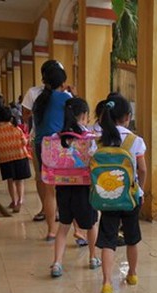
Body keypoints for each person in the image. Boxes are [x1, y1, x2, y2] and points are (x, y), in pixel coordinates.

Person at [95, 94, 147, 293]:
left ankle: (107, 282)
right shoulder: (135, 141)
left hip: (107, 196)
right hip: (131, 197)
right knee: (132, 237)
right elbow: (142, 169)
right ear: (127, 116)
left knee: (108, 239)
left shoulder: (100, 140)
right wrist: (140, 189)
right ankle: (132, 274)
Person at [49, 97, 101, 278]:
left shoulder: (57, 137)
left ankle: (57, 263)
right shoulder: (88, 137)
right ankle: (93, 257)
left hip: (63, 186)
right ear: (85, 115)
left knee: (63, 226)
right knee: (91, 224)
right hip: (84, 188)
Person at [22, 60, 65, 224]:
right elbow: (26, 115)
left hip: (42, 141)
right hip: (50, 141)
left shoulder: (61, 94)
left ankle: (54, 211)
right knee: (44, 178)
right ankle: (47, 209)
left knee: (44, 178)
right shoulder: (34, 93)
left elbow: (25, 116)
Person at [0, 105, 32, 212]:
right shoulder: (17, 129)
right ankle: (20, 200)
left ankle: (14, 201)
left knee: (10, 180)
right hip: (20, 157)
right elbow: (24, 142)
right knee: (19, 181)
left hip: (5, 159)